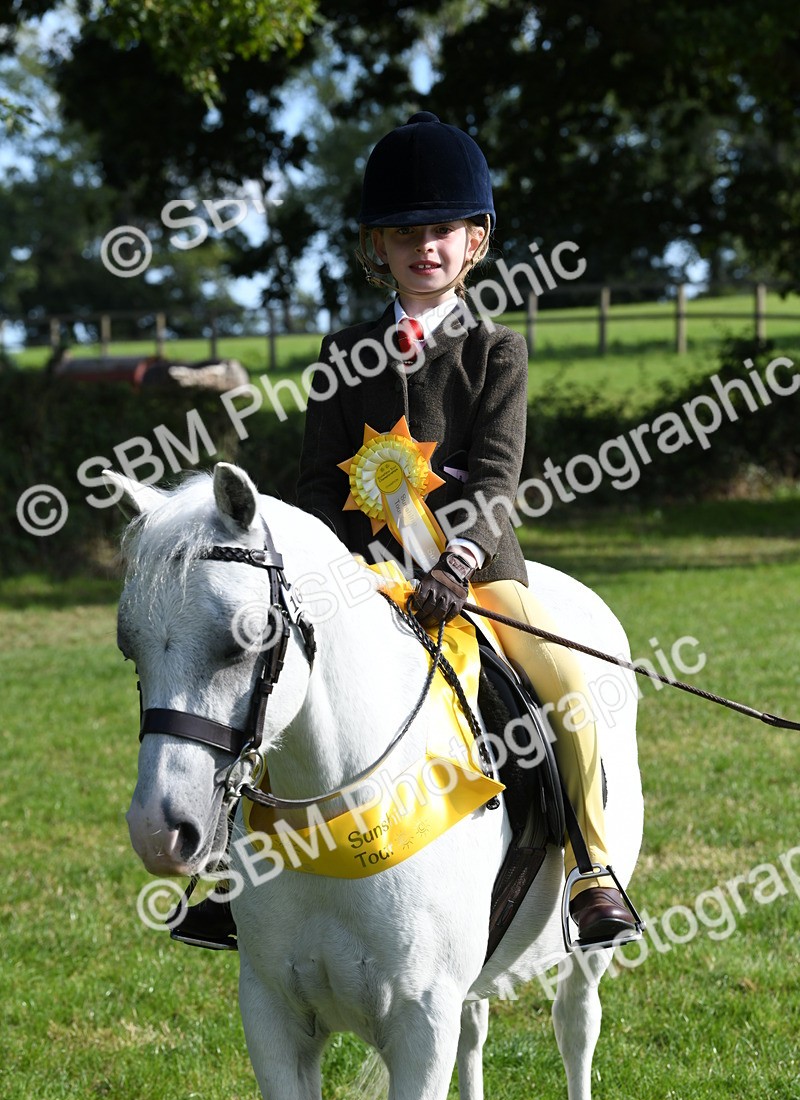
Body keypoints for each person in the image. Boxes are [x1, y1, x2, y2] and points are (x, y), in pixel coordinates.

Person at [174, 111, 638, 951]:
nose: (424, 247)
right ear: (376, 247)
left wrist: (455, 566)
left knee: (566, 687)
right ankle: (230, 877)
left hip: (476, 572)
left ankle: (590, 869)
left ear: (474, 242)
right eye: (404, 234)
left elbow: (497, 480)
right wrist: (332, 572)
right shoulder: (343, 349)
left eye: (441, 231)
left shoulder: (497, 351)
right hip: (360, 575)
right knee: (268, 683)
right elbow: (318, 483)